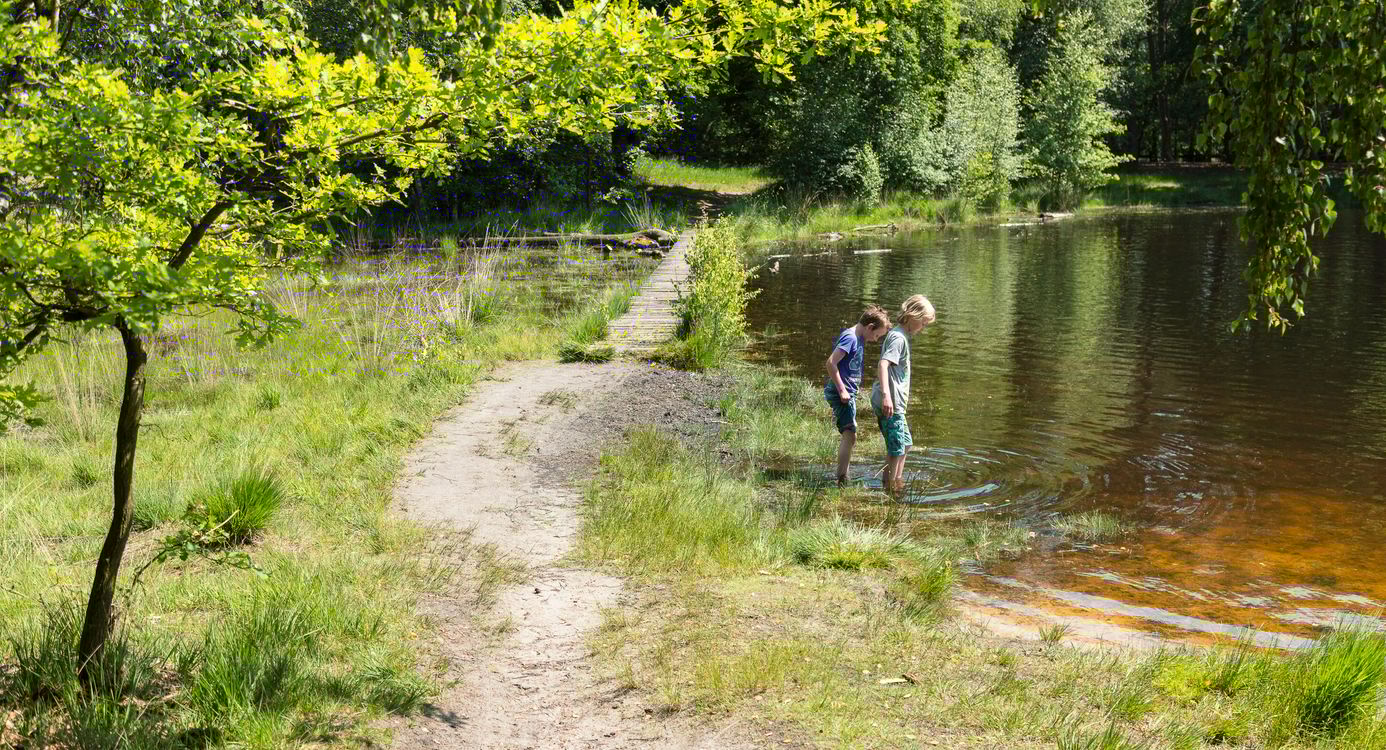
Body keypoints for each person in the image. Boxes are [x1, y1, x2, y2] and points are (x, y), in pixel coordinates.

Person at [871, 294, 936, 496]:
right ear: (912, 316)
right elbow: (883, 364)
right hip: (891, 402)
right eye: (923, 323)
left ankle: (896, 481)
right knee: (896, 448)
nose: (923, 328)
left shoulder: (900, 336)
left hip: (896, 403)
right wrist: (886, 396)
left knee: (905, 444)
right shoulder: (898, 338)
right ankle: (890, 487)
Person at [824, 305, 891, 485]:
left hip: (848, 393)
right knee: (849, 434)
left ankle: (843, 475)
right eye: (877, 335)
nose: (876, 340)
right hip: (840, 393)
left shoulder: (859, 338)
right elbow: (831, 363)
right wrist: (842, 390)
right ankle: (842, 478)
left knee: (850, 434)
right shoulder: (851, 338)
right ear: (870, 327)